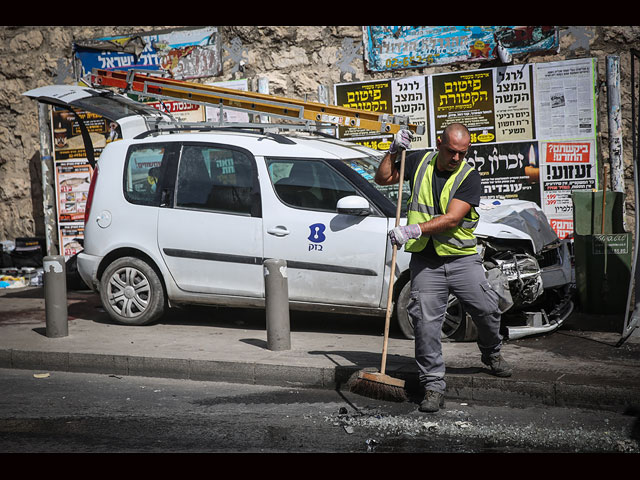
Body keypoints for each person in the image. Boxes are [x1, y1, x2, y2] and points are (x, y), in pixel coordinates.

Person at [374, 123, 512, 413]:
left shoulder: (469, 177)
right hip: (427, 261)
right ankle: (433, 386)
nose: (457, 158)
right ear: (439, 144)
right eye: (451, 151)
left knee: (487, 310)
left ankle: (491, 352)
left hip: (461, 258)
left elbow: (451, 219)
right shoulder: (419, 161)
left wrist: (412, 230)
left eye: (463, 152)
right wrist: (393, 150)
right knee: (425, 324)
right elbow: (384, 177)